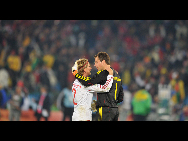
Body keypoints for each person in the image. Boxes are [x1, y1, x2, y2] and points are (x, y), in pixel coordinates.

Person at [72, 52, 124, 121]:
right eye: (89, 66)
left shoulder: (75, 82)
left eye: (96, 62)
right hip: (114, 110)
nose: (93, 66)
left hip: (101, 111)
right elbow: (120, 97)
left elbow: (86, 84)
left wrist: (76, 73)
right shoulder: (117, 76)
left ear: (103, 62)